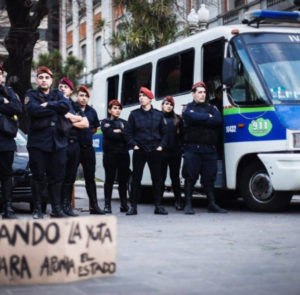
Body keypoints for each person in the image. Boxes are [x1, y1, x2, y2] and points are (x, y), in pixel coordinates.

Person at [25, 66, 70, 218]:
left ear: (51, 80)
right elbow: (33, 111)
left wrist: (49, 105)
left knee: (57, 177)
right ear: (37, 80)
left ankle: (56, 209)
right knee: (38, 176)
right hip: (38, 143)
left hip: (57, 142)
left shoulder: (58, 94)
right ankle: (37, 209)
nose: (44, 80)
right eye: (41, 77)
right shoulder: (30, 94)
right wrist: (55, 109)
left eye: (47, 78)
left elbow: (66, 107)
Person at [182, 81, 227, 214]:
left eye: (204, 92)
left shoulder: (212, 107)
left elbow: (218, 120)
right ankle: (188, 204)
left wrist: (200, 119)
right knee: (190, 177)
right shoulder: (188, 108)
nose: (202, 95)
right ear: (193, 94)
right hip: (192, 149)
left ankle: (211, 204)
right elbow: (189, 117)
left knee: (209, 178)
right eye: (199, 92)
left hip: (209, 150)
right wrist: (207, 117)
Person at [125, 86, 168, 215]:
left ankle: (158, 206)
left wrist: (161, 146)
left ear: (150, 99)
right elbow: (128, 132)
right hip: (140, 149)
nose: (141, 98)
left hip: (155, 150)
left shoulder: (158, 115)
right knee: (136, 179)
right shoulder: (134, 114)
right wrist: (134, 145)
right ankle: (133, 207)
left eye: (143, 96)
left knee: (157, 179)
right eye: (139, 96)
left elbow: (165, 133)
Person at [58, 78, 89, 216]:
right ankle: (58, 207)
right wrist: (75, 119)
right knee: (60, 176)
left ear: (71, 91)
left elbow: (86, 123)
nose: (62, 88)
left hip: (75, 145)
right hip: (62, 143)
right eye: (60, 86)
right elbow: (63, 118)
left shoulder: (75, 106)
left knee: (71, 178)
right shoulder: (57, 102)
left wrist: (70, 120)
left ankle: (67, 206)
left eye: (65, 86)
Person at [76, 85, 105, 215]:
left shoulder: (92, 112)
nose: (83, 98)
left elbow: (95, 128)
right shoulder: (72, 108)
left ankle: (94, 206)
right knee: (69, 177)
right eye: (81, 95)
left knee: (90, 178)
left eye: (86, 96)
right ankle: (65, 206)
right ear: (77, 96)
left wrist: (86, 133)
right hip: (74, 147)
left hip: (88, 148)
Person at [0, 64, 22, 219]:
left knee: (7, 175)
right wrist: (4, 102)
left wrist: (5, 102)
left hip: (6, 141)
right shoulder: (5, 95)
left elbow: (17, 108)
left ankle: (8, 208)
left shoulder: (10, 91)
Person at [100, 100, 130, 213]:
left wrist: (120, 132)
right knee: (109, 179)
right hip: (110, 155)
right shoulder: (105, 122)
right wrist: (121, 133)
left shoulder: (125, 123)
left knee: (123, 180)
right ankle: (107, 205)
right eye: (114, 108)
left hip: (123, 154)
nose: (117, 110)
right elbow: (110, 134)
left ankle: (124, 204)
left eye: (119, 108)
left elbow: (128, 137)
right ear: (109, 110)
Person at [160, 96, 184, 210]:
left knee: (175, 177)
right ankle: (159, 202)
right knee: (161, 177)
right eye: (166, 104)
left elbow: (183, 135)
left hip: (175, 153)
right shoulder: (158, 118)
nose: (168, 106)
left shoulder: (178, 119)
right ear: (162, 105)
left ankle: (178, 201)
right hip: (162, 153)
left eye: (170, 104)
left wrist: (181, 148)